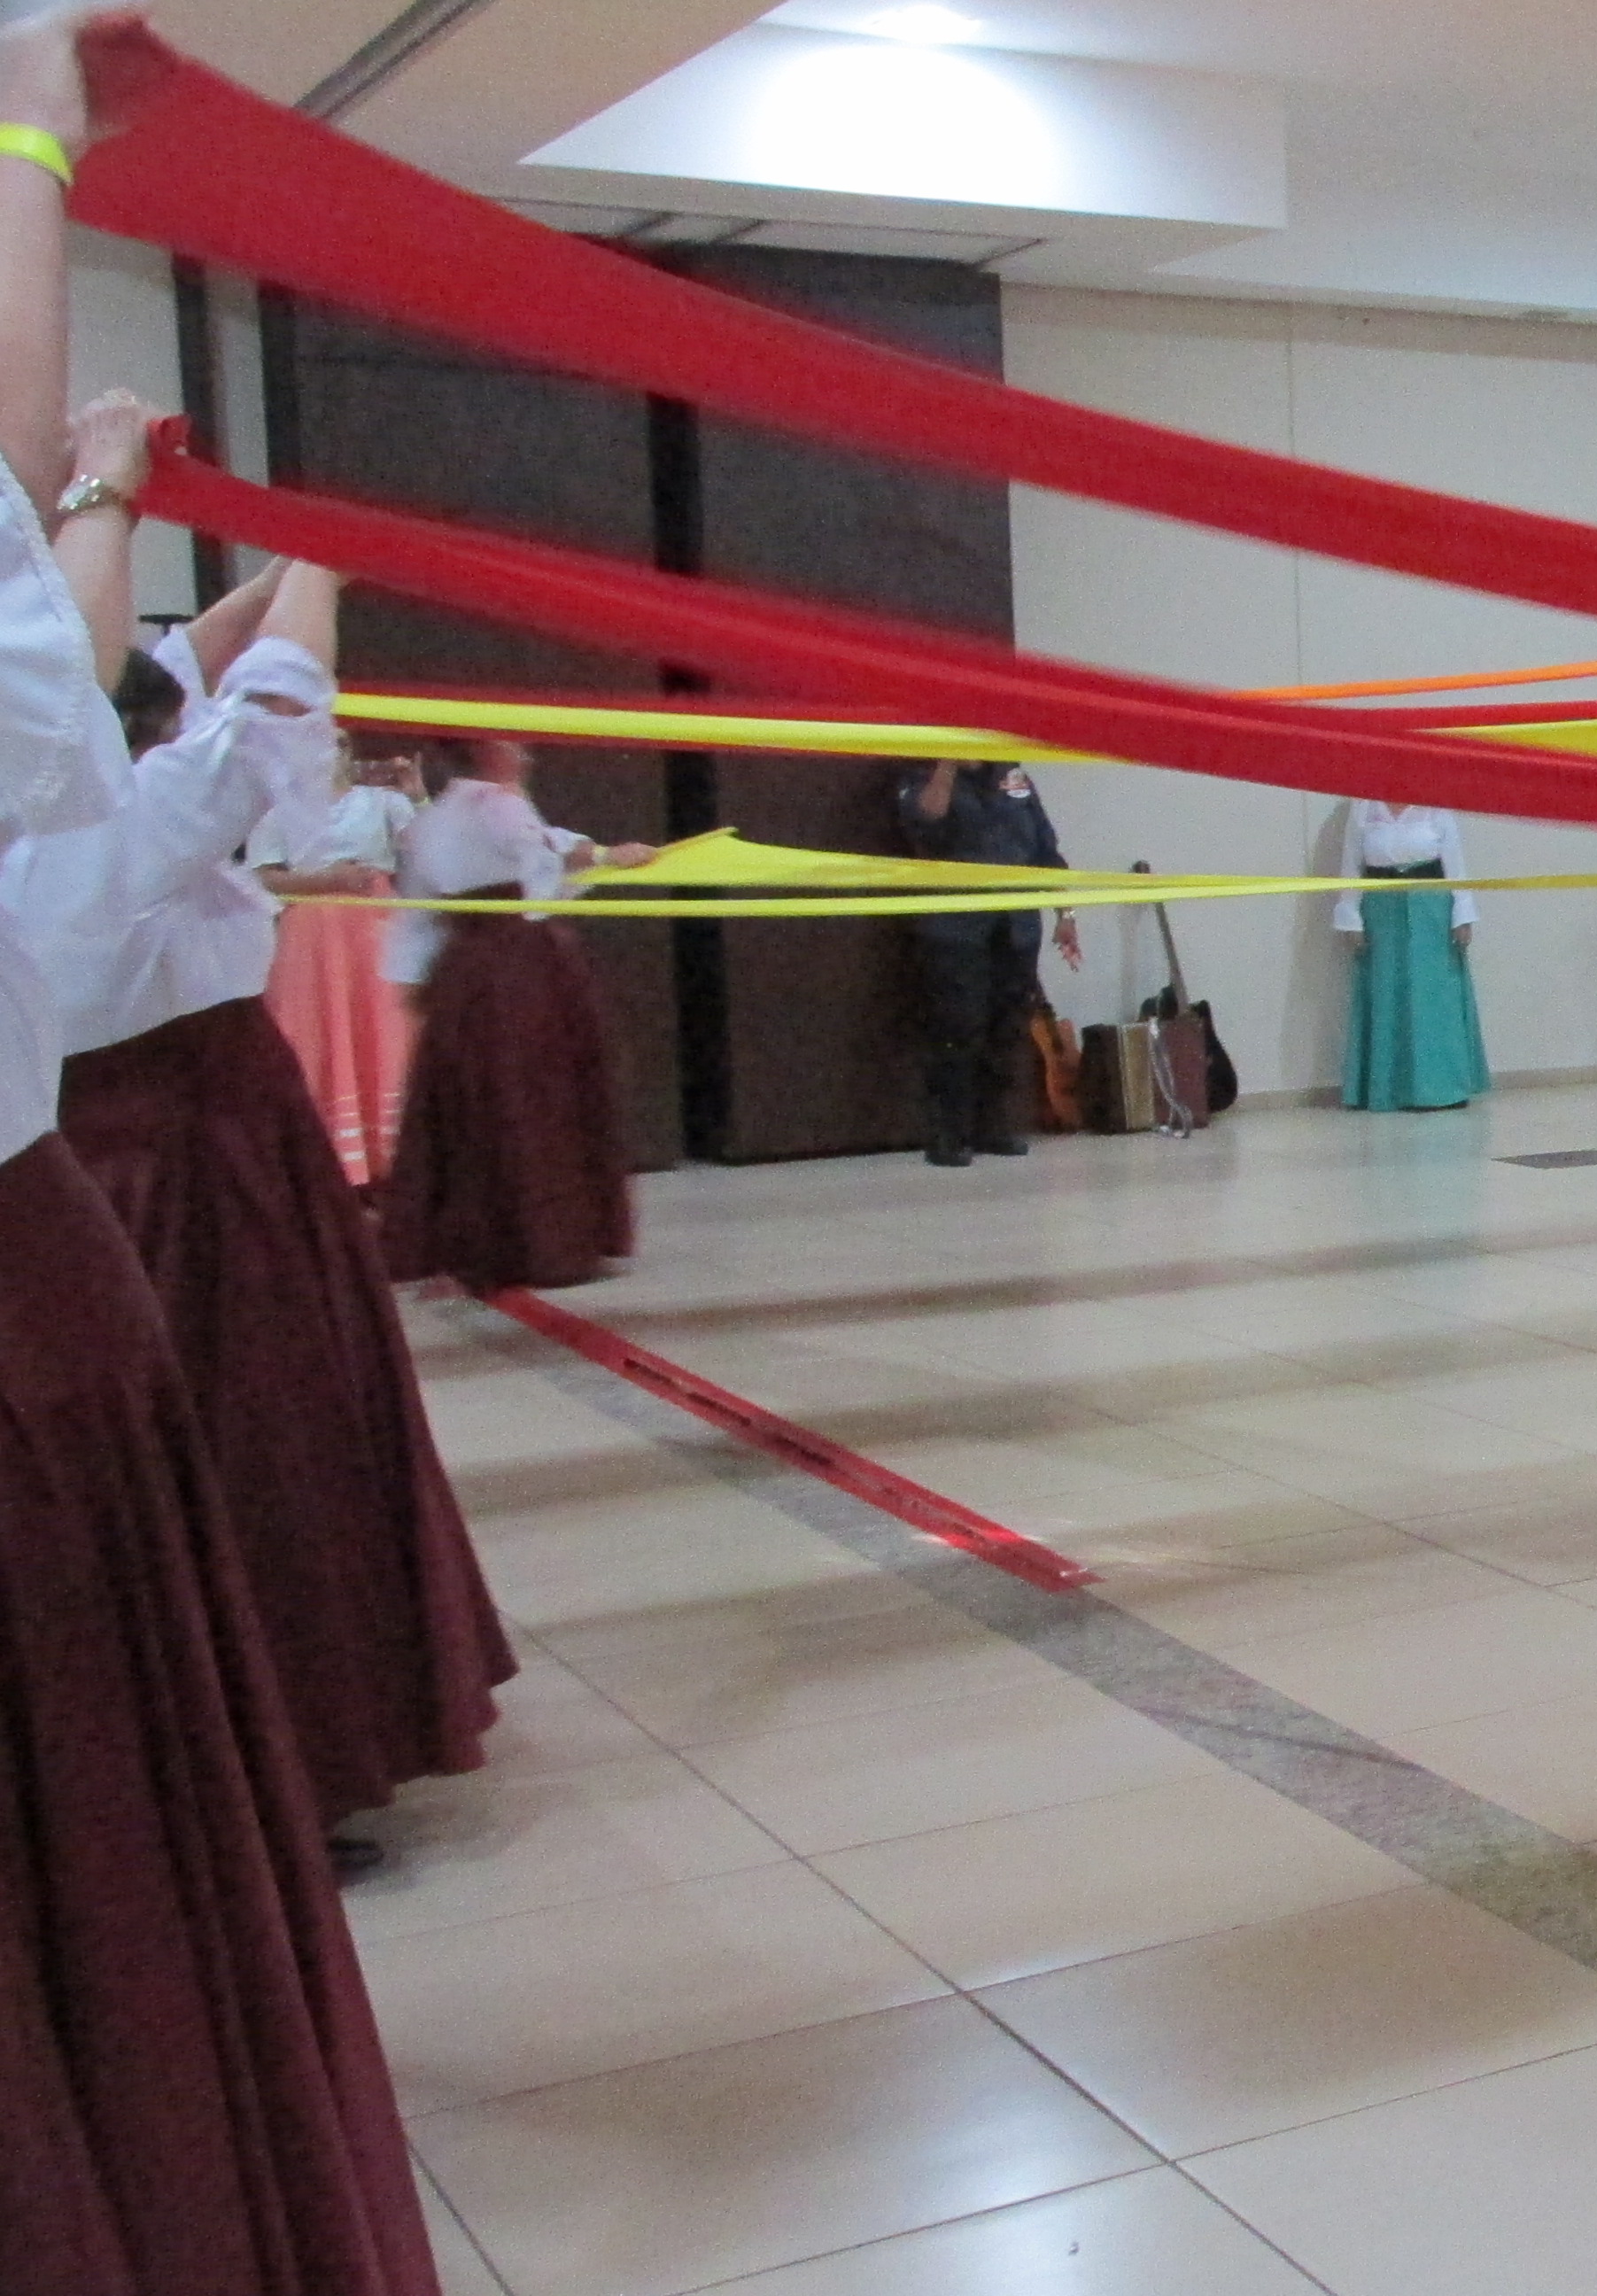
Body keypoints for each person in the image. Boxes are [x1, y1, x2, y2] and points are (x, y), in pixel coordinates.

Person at [0, 17, 439, 2286]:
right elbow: (150, 713)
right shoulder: (117, 786)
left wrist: (172, 520)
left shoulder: (125, 748)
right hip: (140, 1168)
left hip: (175, 1158)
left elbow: (157, 674)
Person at [4, 410, 516, 1852]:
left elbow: (181, 671)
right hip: (200, 1169)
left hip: (141, 1163)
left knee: (234, 1446)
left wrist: (280, 557)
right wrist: (324, 562)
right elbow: (274, 701)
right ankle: (295, 1753)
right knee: (264, 1444)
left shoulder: (48, 802)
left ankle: (244, 1751)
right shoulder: (126, 818)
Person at [377, 736, 653, 1292]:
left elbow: (423, 908)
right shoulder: (495, 805)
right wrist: (604, 858)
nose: (523, 755)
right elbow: (541, 868)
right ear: (486, 753)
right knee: (531, 1096)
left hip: (470, 970)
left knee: (485, 1096)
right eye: (510, 746)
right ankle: (539, 1240)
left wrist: (412, 979)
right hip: (517, 969)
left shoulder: (439, 818)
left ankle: (482, 1236)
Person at [254, 739, 421, 1185]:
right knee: (317, 1026)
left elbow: (429, 853)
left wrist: (415, 794)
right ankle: (321, 1159)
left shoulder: (381, 802)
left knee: (382, 1026)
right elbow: (265, 875)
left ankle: (386, 1159)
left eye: (339, 744)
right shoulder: (280, 808)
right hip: (313, 938)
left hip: (373, 929)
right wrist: (327, 880)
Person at [897, 756, 1079, 1161]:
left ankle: (993, 1126)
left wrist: (1066, 914)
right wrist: (947, 765)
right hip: (956, 929)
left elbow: (1045, 851)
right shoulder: (923, 774)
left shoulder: (1014, 776)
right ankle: (948, 1134)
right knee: (957, 1029)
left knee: (1008, 1028)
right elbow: (925, 822)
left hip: (1015, 928)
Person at [1329, 796, 1490, 1111]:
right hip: (1380, 910)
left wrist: (1462, 913)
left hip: (1432, 909)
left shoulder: (1435, 803)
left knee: (1434, 998)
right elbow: (1351, 864)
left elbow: (1455, 862)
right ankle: (1387, 1090)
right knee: (1386, 993)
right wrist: (1350, 915)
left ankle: (1442, 1089)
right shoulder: (1363, 805)